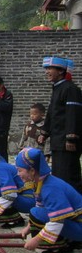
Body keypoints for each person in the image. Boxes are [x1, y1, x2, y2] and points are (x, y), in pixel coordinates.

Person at [17, 147, 82, 253]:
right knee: (36, 211)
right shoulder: (42, 182)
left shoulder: (50, 188)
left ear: (32, 171)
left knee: (37, 213)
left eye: (20, 170)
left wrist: (36, 240)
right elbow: (40, 205)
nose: (18, 174)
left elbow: (57, 221)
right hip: (75, 223)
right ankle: (63, 242)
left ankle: (61, 247)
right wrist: (28, 228)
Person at [38, 56, 82, 193]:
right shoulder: (58, 88)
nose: (47, 72)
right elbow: (52, 113)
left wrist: (71, 138)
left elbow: (73, 115)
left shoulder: (70, 89)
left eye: (50, 68)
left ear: (61, 71)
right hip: (58, 141)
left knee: (68, 176)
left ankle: (76, 205)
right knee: (58, 175)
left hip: (66, 142)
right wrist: (44, 133)